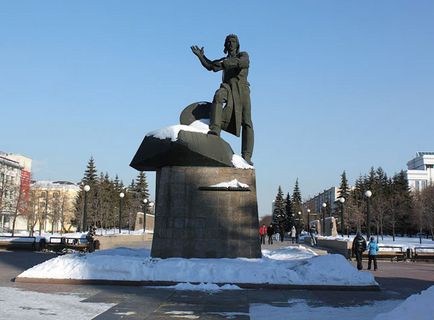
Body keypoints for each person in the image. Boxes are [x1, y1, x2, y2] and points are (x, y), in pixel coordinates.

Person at [191, 34, 254, 165]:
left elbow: (243, 63)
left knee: (246, 122)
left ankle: (246, 156)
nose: (231, 43)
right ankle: (215, 130)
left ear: (237, 44)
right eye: (228, 42)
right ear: (226, 45)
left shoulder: (243, 55)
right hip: (228, 88)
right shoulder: (224, 61)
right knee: (218, 95)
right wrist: (201, 56)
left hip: (242, 90)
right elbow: (212, 66)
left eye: (233, 41)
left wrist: (224, 63)